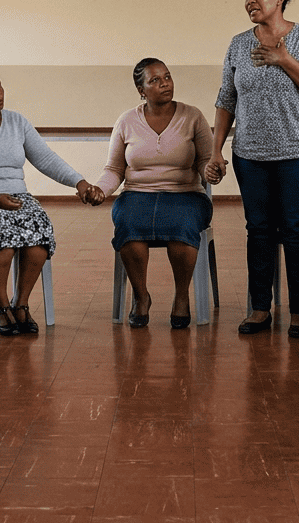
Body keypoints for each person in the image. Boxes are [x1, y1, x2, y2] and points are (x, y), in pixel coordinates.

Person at [204, 0, 299, 339]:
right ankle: (260, 308)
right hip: (250, 155)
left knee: (295, 230)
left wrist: (284, 60)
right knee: (258, 230)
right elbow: (226, 99)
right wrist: (216, 151)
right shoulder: (238, 44)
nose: (250, 1)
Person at [0, 62, 100, 336]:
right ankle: (0, 306)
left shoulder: (17, 121)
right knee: (0, 231)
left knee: (39, 227)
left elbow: (45, 158)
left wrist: (79, 182)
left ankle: (20, 303)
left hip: (12, 196)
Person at [91, 58, 214, 329]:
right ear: (141, 90)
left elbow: (206, 161)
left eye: (167, 77)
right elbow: (114, 168)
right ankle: (141, 296)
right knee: (129, 226)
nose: (165, 84)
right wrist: (100, 189)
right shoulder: (126, 121)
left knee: (182, 226)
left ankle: (181, 297)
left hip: (186, 194)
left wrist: (211, 171)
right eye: (155, 80)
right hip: (138, 193)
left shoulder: (192, 116)